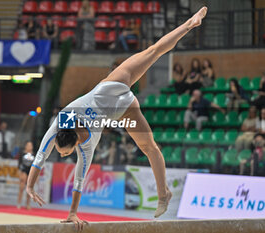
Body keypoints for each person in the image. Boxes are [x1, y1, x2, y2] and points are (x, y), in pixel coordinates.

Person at [26, 7, 208, 230]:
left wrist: (30, 186)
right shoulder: (77, 137)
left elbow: (41, 155)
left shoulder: (72, 129)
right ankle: (164, 193)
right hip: (122, 106)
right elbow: (73, 178)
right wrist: (68, 210)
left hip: (116, 90)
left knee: (153, 52)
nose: (64, 155)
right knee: (150, 147)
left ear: (72, 142)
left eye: (64, 152)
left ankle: (190, 23)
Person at [17, 141, 34, 209]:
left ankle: (27, 204)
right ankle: (19, 203)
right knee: (21, 188)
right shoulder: (22, 153)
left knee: (29, 189)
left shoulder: (34, 155)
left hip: (30, 172)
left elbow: (35, 165)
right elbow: (19, 164)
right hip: (23, 170)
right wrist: (19, 173)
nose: (29, 147)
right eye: (28, 145)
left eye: (31, 145)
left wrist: (36, 176)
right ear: (25, 146)